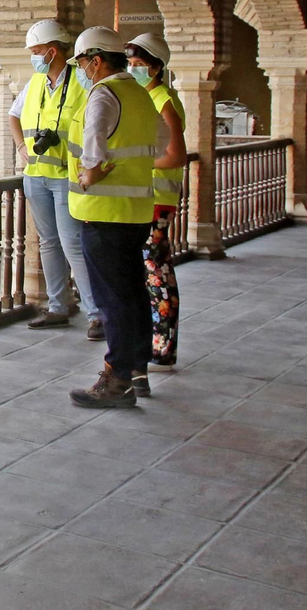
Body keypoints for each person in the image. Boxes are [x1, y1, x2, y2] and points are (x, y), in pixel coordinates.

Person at [64, 27, 167, 409]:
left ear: (95, 61)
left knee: (113, 301)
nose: (81, 71)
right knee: (132, 294)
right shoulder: (139, 93)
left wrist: (90, 172)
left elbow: (92, 144)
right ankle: (136, 370)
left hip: (104, 214)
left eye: (81, 63)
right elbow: (162, 142)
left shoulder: (103, 94)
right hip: (135, 211)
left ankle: (117, 379)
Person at [7, 19, 102, 339]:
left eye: (36, 51)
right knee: (48, 243)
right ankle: (58, 307)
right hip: (35, 174)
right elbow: (13, 115)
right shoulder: (35, 82)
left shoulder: (81, 80)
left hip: (66, 175)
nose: (33, 57)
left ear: (52, 51)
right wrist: (21, 147)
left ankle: (96, 314)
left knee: (72, 242)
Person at [126, 32, 187, 395]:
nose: (133, 70)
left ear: (157, 68)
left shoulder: (163, 99)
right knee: (151, 271)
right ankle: (155, 343)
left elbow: (176, 155)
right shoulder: (145, 96)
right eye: (130, 64)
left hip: (158, 198)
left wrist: (137, 163)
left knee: (157, 271)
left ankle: (162, 346)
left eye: (140, 65)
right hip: (146, 197)